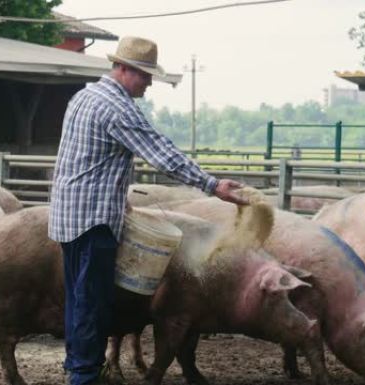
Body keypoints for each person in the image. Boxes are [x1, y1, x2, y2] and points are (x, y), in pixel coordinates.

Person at [48, 36, 248, 385]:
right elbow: (161, 152)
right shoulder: (117, 108)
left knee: (80, 297)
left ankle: (77, 366)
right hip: (93, 220)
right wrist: (212, 185)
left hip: (68, 214)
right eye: (145, 75)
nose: (150, 82)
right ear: (124, 69)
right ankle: (83, 377)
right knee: (92, 301)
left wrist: (117, 193)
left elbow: (83, 158)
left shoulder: (83, 96)